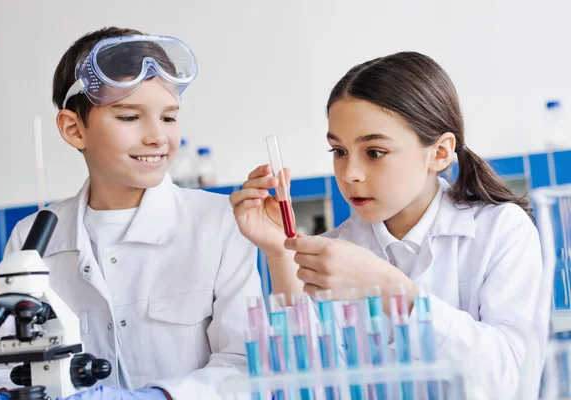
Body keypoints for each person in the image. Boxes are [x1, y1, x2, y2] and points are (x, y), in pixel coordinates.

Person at [230, 52, 548, 399]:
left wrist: (392, 289)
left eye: (375, 152)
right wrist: (280, 255)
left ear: (439, 153)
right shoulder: (334, 251)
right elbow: (304, 387)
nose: (349, 173)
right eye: (338, 151)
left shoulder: (502, 230)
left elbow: (515, 379)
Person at [0, 27, 262, 400]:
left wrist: (157, 397)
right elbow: (2, 362)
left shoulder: (219, 222)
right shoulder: (32, 237)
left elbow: (245, 363)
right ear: (74, 129)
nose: (157, 136)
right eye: (129, 117)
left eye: (169, 118)